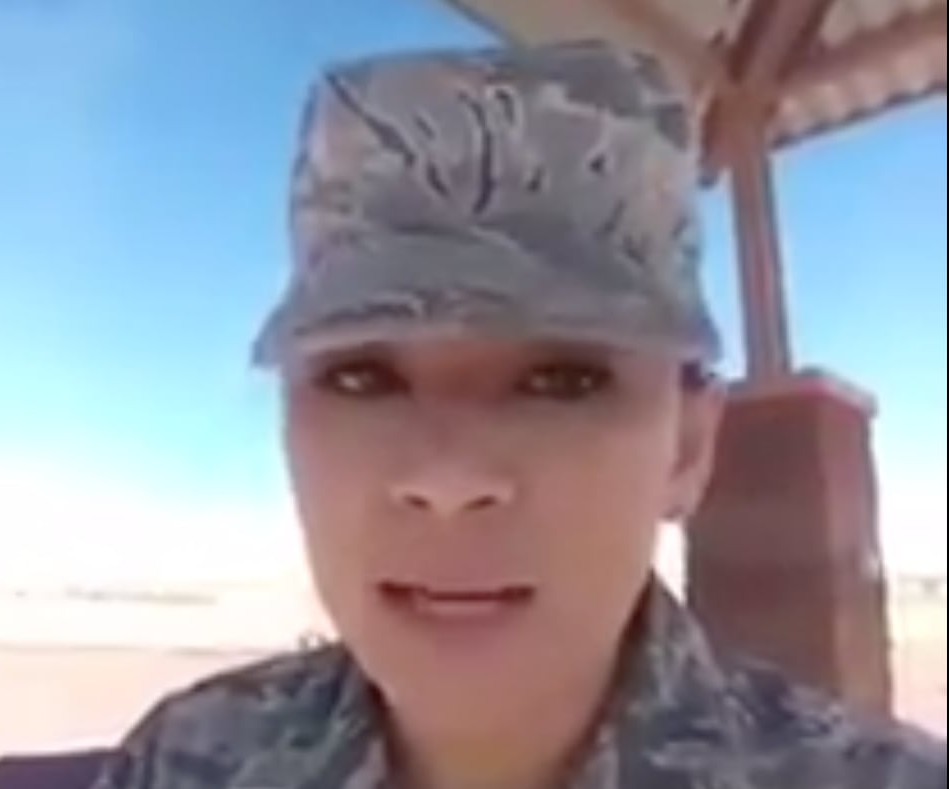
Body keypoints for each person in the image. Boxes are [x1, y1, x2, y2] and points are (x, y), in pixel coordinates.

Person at [90, 38, 946, 789]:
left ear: (687, 449)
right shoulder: (189, 759)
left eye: (562, 380)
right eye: (360, 377)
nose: (448, 478)